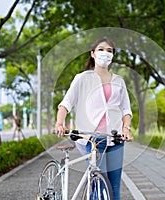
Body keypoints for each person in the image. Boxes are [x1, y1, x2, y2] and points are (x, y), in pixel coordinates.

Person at [55, 38, 133, 200]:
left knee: (115, 188)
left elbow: (126, 109)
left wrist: (126, 128)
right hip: (92, 139)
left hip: (115, 138)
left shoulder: (119, 81)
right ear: (92, 54)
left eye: (110, 50)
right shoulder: (82, 78)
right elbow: (66, 104)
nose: (105, 53)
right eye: (101, 49)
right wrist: (59, 123)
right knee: (99, 184)